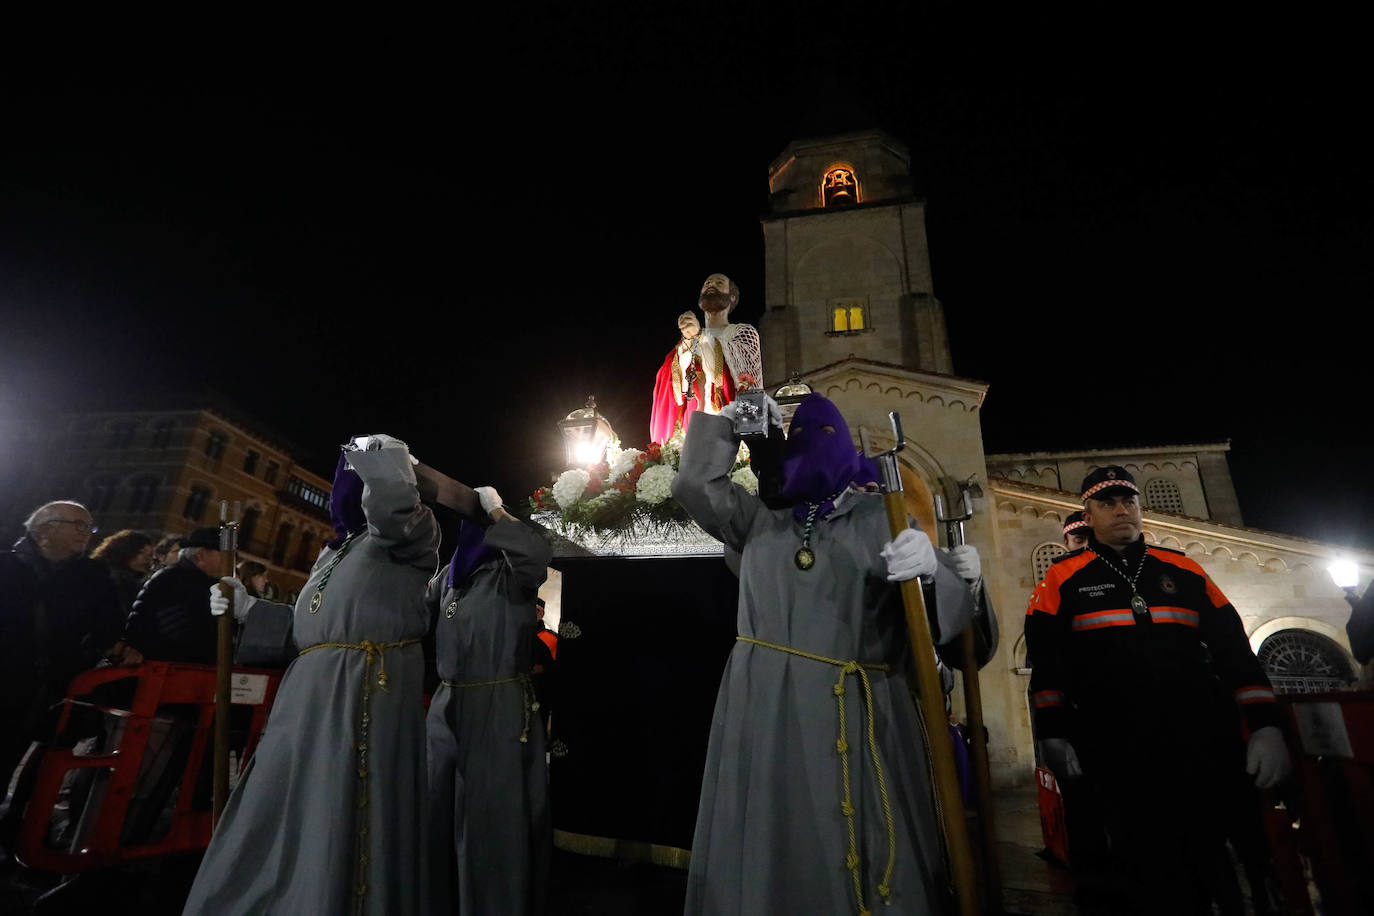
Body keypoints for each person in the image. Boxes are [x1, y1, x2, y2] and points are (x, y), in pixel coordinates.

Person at [672, 393, 983, 915]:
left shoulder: (881, 515)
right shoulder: (758, 520)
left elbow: (948, 633)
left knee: (859, 844)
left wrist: (937, 572)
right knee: (772, 832)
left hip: (861, 713)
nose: (808, 449)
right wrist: (722, 426)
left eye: (822, 436)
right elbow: (694, 486)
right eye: (796, 438)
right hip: (767, 710)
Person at [183, 434, 439, 914]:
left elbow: (393, 512)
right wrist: (248, 609)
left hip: (359, 692)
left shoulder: (406, 538)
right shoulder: (332, 553)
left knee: (337, 811)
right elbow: (317, 633)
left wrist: (383, 458)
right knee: (287, 806)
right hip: (309, 698)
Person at [1024, 466, 1291, 913]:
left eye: (1128, 501)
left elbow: (1233, 651)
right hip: (1117, 748)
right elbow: (1048, 663)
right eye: (1107, 504)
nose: (1121, 511)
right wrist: (1053, 732)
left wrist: (1266, 726)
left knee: (1214, 856)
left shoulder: (1184, 570)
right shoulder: (1060, 580)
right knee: (1146, 862)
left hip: (1201, 741)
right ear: (1087, 516)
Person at [425, 485, 552, 915]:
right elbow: (405, 612)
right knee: (440, 810)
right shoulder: (450, 578)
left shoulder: (511, 570)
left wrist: (498, 513)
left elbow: (537, 552)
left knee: (491, 820)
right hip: (447, 708)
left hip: (497, 708)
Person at [0, 501, 131, 852]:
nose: (84, 532)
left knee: (48, 764)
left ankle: (23, 829)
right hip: (8, 683)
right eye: (76, 524)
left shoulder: (93, 574)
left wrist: (120, 647)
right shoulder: (6, 566)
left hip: (58, 688)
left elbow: (109, 625)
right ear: (42, 530)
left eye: (89, 526)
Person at [649, 274, 763, 445]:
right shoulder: (689, 339)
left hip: (725, 430)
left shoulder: (742, 333)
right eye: (707, 283)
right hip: (692, 428)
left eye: (719, 283)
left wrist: (699, 337)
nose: (711, 285)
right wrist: (688, 343)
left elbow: (743, 374)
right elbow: (667, 381)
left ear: (732, 296)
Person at [123, 528, 225, 664]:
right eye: (223, 555)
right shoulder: (172, 580)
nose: (229, 562)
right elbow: (176, 630)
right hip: (165, 669)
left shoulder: (212, 585)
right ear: (201, 555)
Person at [90, 529, 156, 615]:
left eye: (150, 555)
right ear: (125, 551)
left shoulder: (135, 579)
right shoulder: (118, 580)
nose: (147, 559)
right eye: (141, 552)